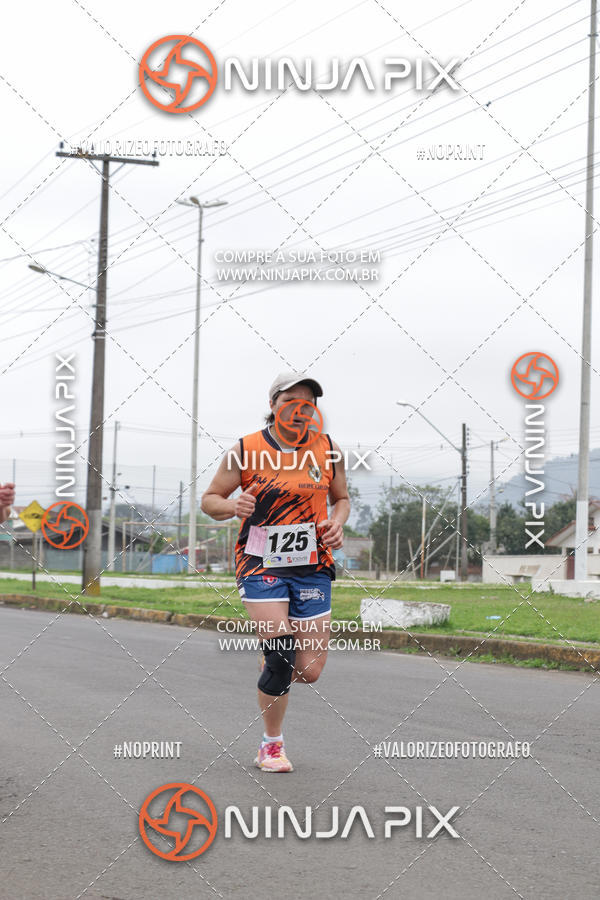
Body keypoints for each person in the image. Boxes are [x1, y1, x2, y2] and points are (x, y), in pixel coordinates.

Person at [202, 372, 350, 772]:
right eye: (292, 401)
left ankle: (272, 660)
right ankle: (271, 746)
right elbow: (210, 500)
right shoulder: (246, 449)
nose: (301, 409)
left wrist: (338, 522)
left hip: (314, 566)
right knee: (283, 657)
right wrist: (233, 507)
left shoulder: (329, 449)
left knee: (310, 670)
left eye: (309, 402)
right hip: (260, 563)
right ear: (273, 405)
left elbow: (342, 499)